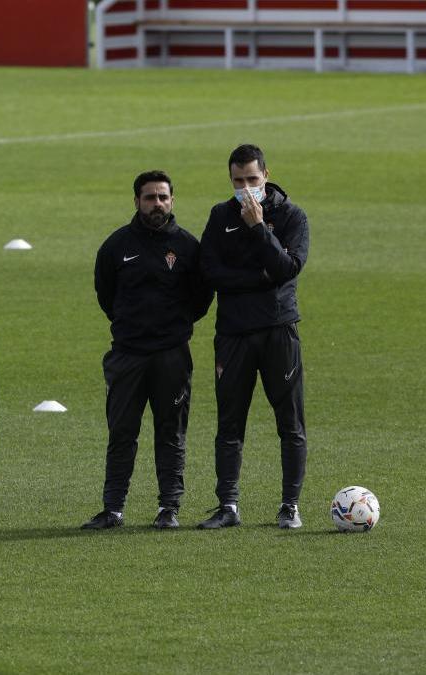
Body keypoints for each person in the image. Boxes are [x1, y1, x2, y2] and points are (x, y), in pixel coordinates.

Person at [83, 171, 212, 531]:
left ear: (172, 201)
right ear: (137, 201)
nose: (157, 204)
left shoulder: (187, 246)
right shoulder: (116, 246)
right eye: (150, 198)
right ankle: (113, 509)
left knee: (171, 432)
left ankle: (169, 508)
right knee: (121, 432)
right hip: (127, 354)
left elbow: (202, 297)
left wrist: (174, 328)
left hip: (172, 355)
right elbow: (105, 294)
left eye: (163, 197)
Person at [197, 144, 310, 530]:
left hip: (279, 330)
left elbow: (286, 268)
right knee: (230, 424)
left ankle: (289, 506)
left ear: (266, 175)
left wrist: (259, 228)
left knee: (290, 423)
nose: (245, 189)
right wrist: (257, 279)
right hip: (232, 334)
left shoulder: (292, 217)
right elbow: (209, 272)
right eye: (238, 181)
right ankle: (228, 506)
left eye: (252, 180)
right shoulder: (219, 216)